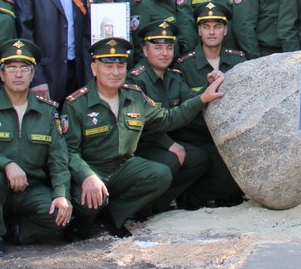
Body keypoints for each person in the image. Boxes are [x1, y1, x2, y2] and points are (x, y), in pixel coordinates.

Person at [61, 36, 225, 237]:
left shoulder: (135, 96)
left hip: (123, 167)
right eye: (108, 66)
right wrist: (87, 176)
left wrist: (202, 99)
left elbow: (167, 118)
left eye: (120, 66)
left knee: (160, 174)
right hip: (93, 168)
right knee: (89, 204)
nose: (115, 72)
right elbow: (69, 151)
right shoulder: (76, 104)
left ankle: (114, 216)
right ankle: (85, 221)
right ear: (94, 69)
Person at [0, 39, 71, 254]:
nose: (18, 74)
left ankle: (16, 232)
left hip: (32, 189)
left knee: (60, 216)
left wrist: (62, 194)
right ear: (1, 74)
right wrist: (7, 164)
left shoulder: (48, 112)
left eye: (24, 68)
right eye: (11, 68)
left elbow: (58, 157)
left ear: (32, 75)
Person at [126, 21, 210, 213]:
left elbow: (192, 101)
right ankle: (141, 207)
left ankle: (160, 202)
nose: (164, 53)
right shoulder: (135, 80)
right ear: (145, 51)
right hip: (140, 144)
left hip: (164, 139)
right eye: (158, 48)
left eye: (169, 48)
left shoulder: (173, 76)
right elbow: (142, 125)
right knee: (171, 159)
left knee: (199, 158)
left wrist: (209, 88)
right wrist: (168, 144)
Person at [173, 2, 246, 208]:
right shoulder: (184, 65)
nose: (211, 32)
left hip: (229, 134)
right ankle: (194, 197)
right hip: (199, 135)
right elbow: (185, 108)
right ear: (198, 30)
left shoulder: (238, 61)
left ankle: (224, 193)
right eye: (206, 27)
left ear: (225, 30)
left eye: (217, 27)